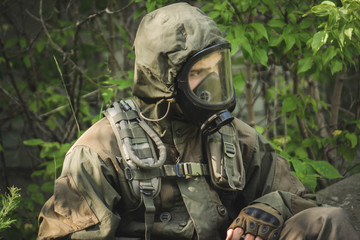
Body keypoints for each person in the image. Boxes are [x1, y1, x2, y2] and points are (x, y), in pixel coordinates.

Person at [37, 2, 359, 240]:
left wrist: (272, 207)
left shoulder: (233, 136)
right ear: (163, 79)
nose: (210, 84)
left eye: (215, 70)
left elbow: (298, 198)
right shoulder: (99, 152)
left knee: (326, 222)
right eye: (197, 74)